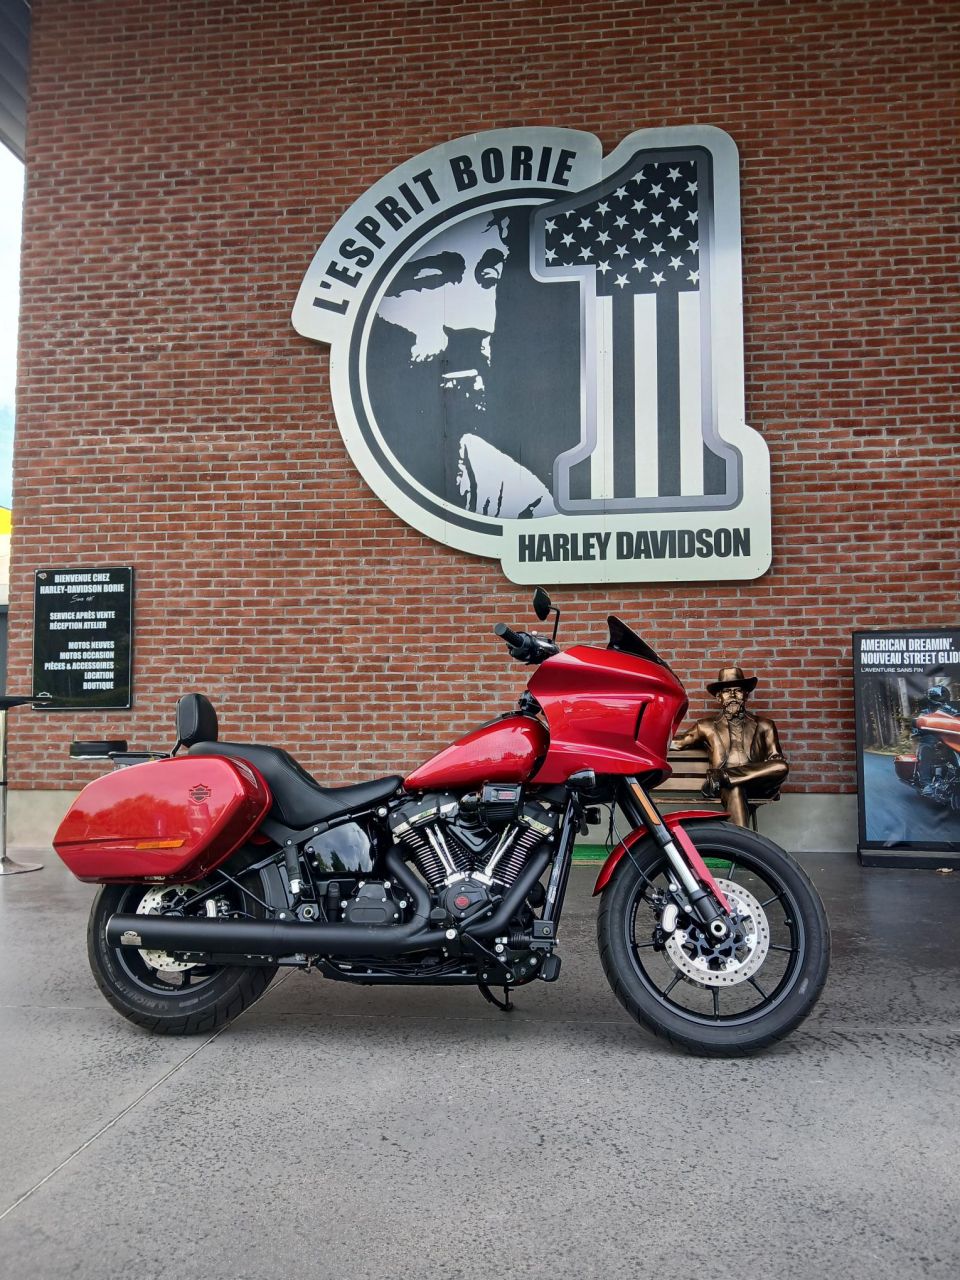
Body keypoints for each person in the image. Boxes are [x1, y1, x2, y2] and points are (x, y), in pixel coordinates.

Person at [672, 665, 788, 828]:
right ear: (719, 698)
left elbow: (775, 760)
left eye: (738, 690)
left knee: (781, 765)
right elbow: (677, 743)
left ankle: (725, 775)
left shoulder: (765, 725)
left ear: (746, 695)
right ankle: (742, 847)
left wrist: (724, 776)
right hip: (723, 788)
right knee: (735, 787)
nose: (733, 695)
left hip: (756, 784)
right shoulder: (705, 726)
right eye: (727, 691)